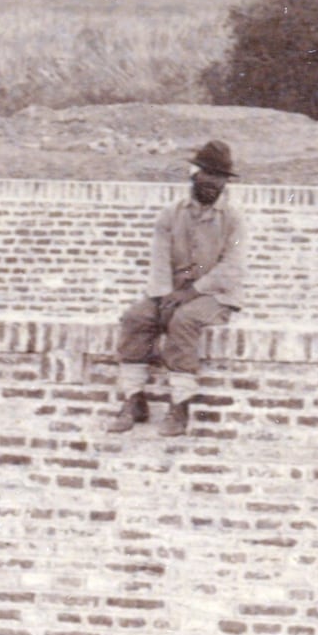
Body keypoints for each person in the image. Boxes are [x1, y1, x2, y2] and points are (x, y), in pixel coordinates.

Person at [105, 142, 247, 435]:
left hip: (213, 295)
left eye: (220, 178)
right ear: (194, 175)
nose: (213, 184)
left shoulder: (233, 220)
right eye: (208, 175)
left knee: (184, 321)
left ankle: (180, 405)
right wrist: (161, 295)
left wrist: (191, 292)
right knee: (136, 317)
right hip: (168, 291)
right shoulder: (170, 214)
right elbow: (159, 259)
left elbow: (231, 267)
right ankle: (133, 399)